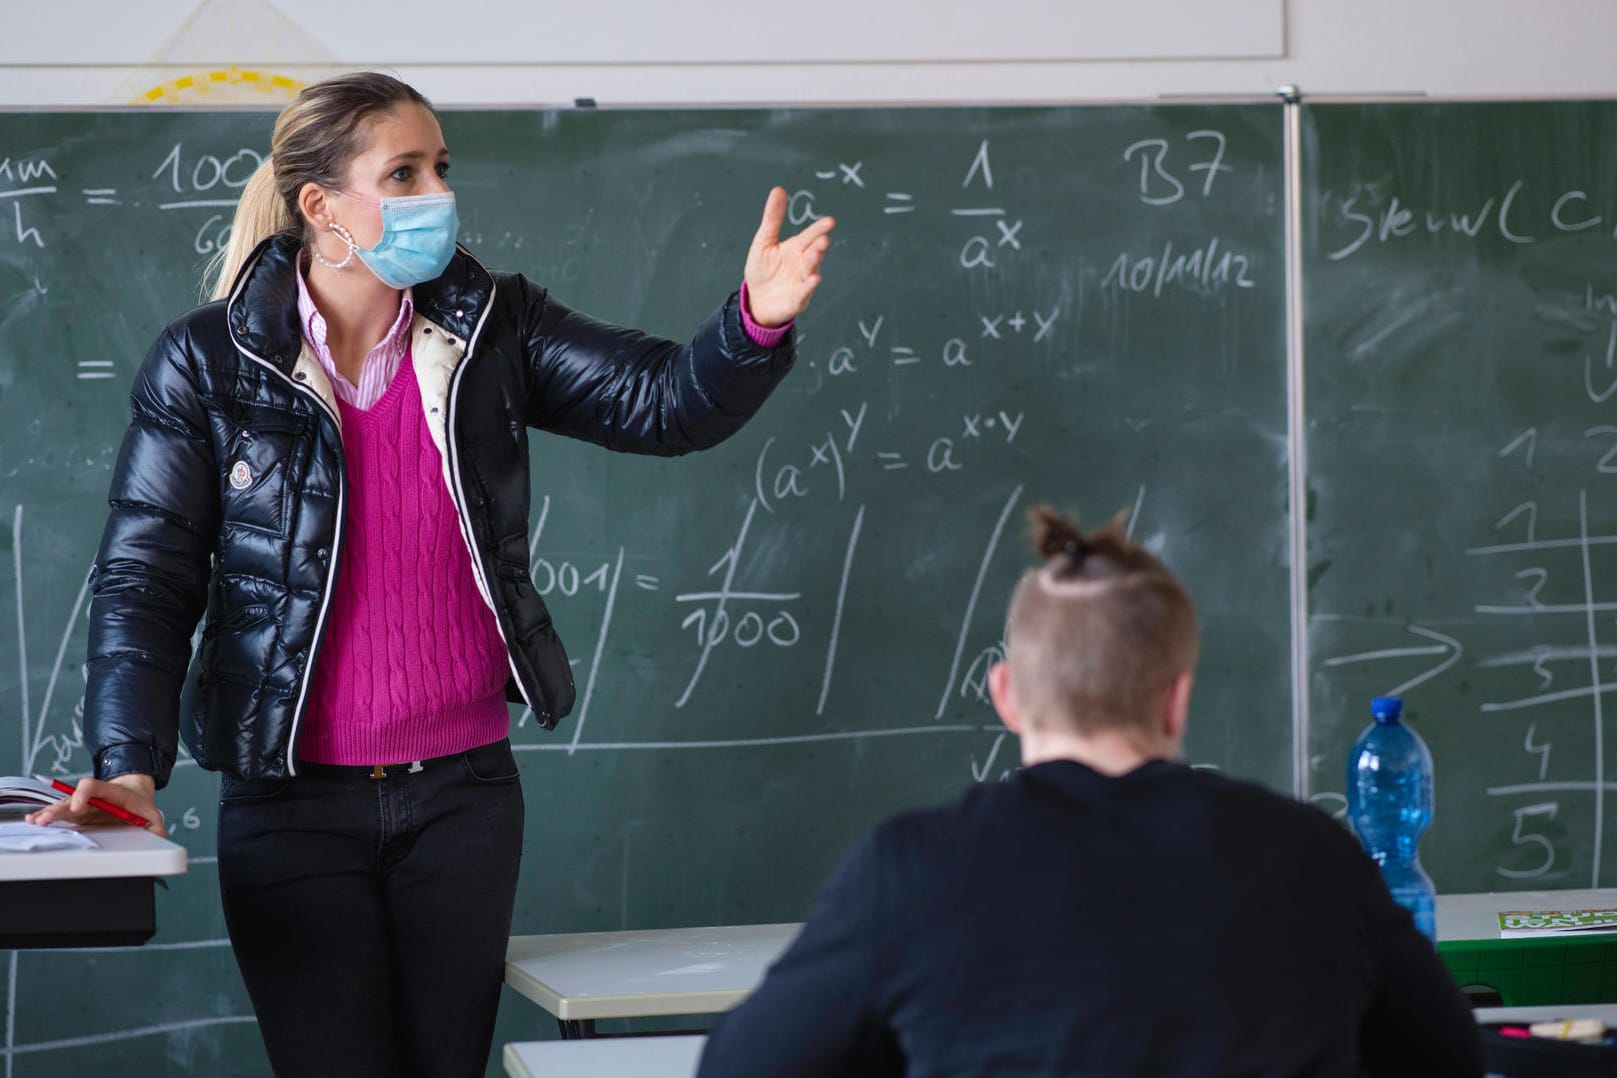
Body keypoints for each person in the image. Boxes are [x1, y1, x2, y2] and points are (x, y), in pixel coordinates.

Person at [28, 71, 833, 1077]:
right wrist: (127, 760)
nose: (434, 194)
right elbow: (145, 576)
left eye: (440, 168)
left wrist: (751, 325)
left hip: (464, 800)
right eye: (403, 172)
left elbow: (662, 403)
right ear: (320, 206)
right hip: (291, 806)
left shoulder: (494, 329)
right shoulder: (208, 364)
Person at [696, 507, 1484, 1077]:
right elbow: (1445, 1056)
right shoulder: (1313, 856)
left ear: (1005, 694)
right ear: (1176, 699)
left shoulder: (910, 869)